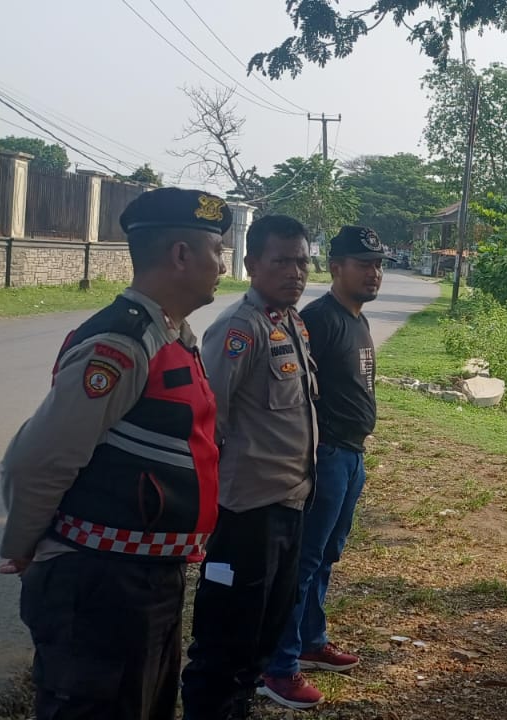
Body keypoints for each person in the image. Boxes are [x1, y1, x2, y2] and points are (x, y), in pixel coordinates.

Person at [0, 187, 231, 720]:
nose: (223, 263)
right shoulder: (122, 344)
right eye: (217, 249)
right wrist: (27, 546)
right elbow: (39, 458)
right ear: (179, 255)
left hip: (146, 578)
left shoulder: (171, 334)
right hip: (101, 584)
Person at [180, 215, 317, 719]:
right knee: (225, 643)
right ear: (251, 263)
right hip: (245, 515)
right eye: (282, 261)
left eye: (302, 261)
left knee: (263, 636)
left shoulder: (289, 322)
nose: (295, 272)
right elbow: (205, 420)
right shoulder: (239, 328)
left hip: (288, 504)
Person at [259, 226, 386, 709]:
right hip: (326, 455)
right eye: (362, 264)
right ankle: (279, 666)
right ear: (335, 269)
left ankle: (311, 641)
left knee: (326, 556)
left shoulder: (356, 318)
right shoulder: (319, 319)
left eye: (378, 265)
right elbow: (291, 396)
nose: (373, 273)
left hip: (351, 456)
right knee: (303, 561)